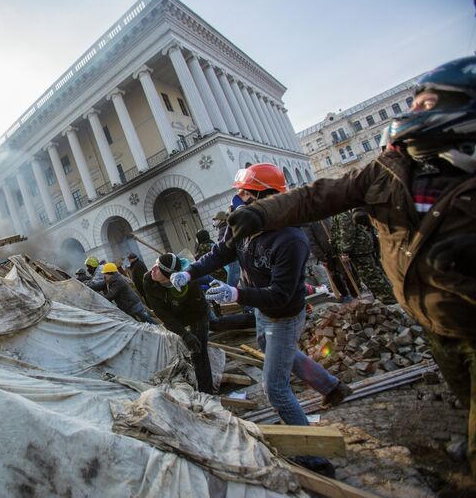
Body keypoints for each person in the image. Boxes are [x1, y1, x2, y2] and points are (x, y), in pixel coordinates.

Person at [223, 57, 476, 473]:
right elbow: (315, 196)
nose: (412, 116)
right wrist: (263, 213)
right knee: (461, 387)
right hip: (432, 316)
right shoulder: (387, 171)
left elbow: (284, 288)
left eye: (426, 106)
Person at [170, 162, 352, 477]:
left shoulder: (291, 239)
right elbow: (219, 254)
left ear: (265, 196)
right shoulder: (243, 225)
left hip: (284, 314)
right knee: (276, 353)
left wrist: (236, 295)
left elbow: (281, 294)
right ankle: (332, 387)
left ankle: (314, 457)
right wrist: (189, 271)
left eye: (244, 193)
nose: (237, 200)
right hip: (260, 310)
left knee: (275, 387)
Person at [142, 253, 214, 393]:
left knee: (198, 351)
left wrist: (192, 334)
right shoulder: (149, 279)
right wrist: (184, 333)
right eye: (155, 265)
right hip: (175, 313)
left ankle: (207, 392)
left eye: (159, 269)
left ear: (169, 276)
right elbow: (162, 313)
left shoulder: (189, 283)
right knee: (189, 343)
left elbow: (198, 312)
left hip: (197, 313)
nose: (153, 270)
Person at [331, 210, 395, 304]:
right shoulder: (338, 212)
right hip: (358, 248)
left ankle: (389, 299)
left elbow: (347, 231)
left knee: (371, 276)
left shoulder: (342, 213)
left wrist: (345, 250)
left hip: (359, 248)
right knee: (371, 275)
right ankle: (386, 297)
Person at [301, 217, 358, 301]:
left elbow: (338, 230)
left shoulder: (326, 216)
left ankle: (355, 294)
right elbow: (311, 242)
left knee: (347, 272)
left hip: (337, 249)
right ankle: (345, 295)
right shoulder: (307, 223)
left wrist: (342, 247)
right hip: (326, 254)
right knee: (334, 275)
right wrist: (321, 257)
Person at [90, 263, 157, 324]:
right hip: (128, 306)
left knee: (147, 320)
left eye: (105, 273)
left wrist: (98, 299)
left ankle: (160, 330)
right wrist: (88, 286)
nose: (104, 275)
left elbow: (110, 295)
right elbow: (99, 285)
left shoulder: (118, 281)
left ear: (111, 273)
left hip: (134, 305)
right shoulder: (110, 280)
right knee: (138, 322)